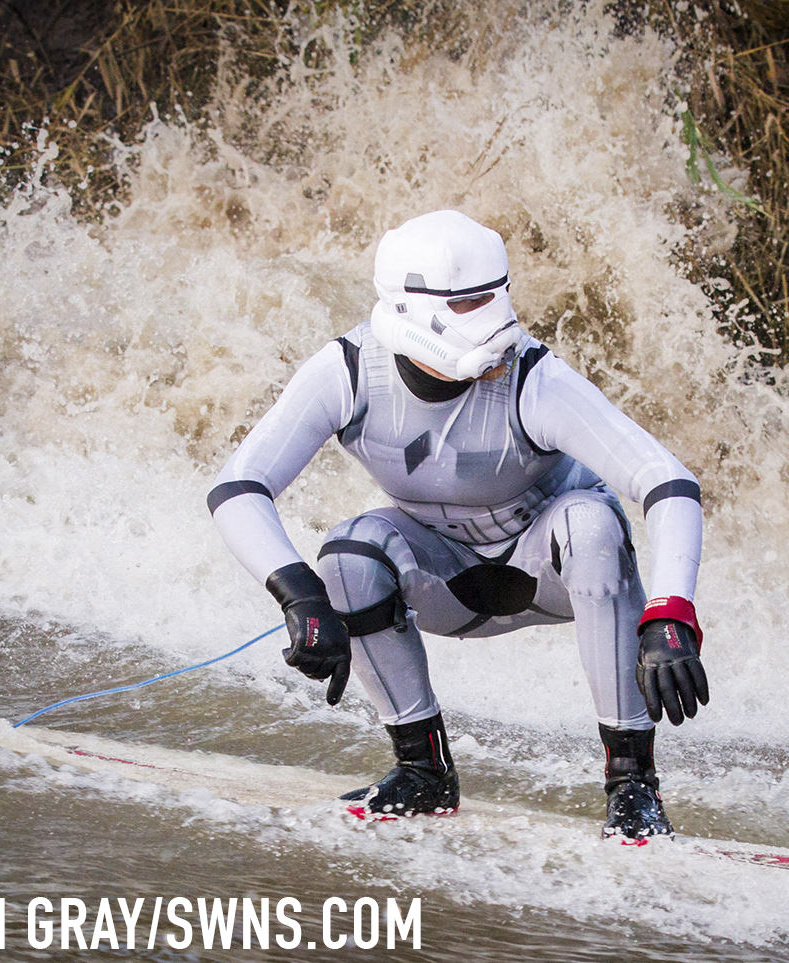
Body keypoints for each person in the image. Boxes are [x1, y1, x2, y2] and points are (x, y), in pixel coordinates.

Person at [207, 210, 708, 839]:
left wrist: (669, 612)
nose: (492, 326)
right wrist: (298, 595)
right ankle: (422, 771)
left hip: (551, 571)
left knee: (591, 523)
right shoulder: (349, 370)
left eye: (492, 297)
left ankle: (633, 787)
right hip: (442, 577)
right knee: (346, 554)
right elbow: (237, 486)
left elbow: (667, 481)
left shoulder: (534, 377)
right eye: (468, 303)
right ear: (410, 310)